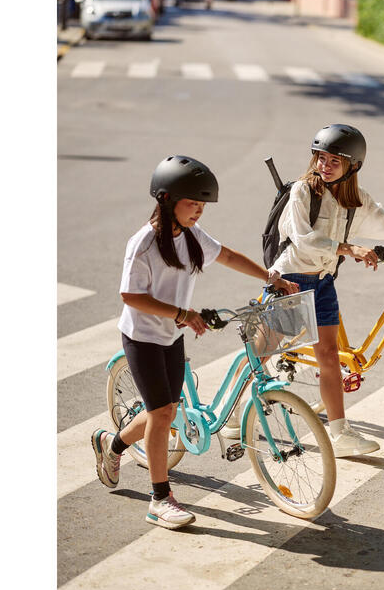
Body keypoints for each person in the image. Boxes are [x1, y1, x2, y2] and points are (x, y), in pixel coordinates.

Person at [91, 155, 298, 530]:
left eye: (203, 205)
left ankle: (113, 443)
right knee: (163, 414)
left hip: (171, 333)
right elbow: (131, 296)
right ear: (167, 199)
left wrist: (271, 276)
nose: (199, 211)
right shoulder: (143, 243)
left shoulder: (190, 236)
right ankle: (159, 498)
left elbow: (229, 255)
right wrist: (183, 314)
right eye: (193, 204)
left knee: (167, 410)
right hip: (143, 337)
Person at [268, 124, 384, 457]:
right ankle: (234, 415)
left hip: (323, 281)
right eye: (320, 158)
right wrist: (349, 249)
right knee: (261, 351)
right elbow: (303, 238)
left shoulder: (354, 200)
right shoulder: (303, 192)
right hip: (292, 279)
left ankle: (340, 434)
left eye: (334, 160)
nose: (324, 165)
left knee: (329, 357)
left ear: (353, 166)